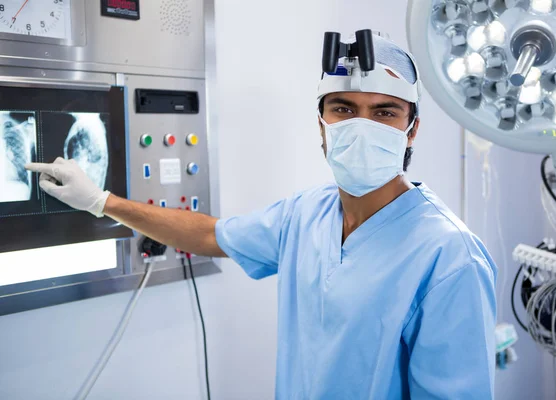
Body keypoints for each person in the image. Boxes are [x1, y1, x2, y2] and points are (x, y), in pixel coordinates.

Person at [26, 34, 497, 399]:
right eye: (344, 109)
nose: (361, 126)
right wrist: (101, 202)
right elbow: (211, 235)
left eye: (385, 112)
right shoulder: (305, 215)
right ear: (321, 123)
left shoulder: (449, 256)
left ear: (411, 130)